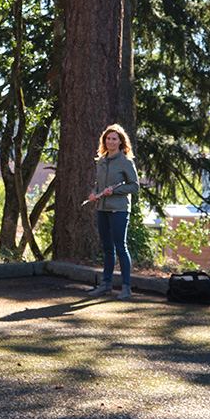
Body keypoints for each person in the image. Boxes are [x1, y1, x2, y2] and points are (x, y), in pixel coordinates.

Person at [86, 123, 140, 300]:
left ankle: (126, 287)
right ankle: (106, 284)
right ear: (105, 140)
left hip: (119, 209)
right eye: (108, 138)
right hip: (102, 209)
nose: (110, 141)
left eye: (114, 139)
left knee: (120, 247)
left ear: (120, 141)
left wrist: (114, 191)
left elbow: (135, 187)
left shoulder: (126, 161)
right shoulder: (101, 161)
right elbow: (99, 184)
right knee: (107, 248)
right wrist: (95, 193)